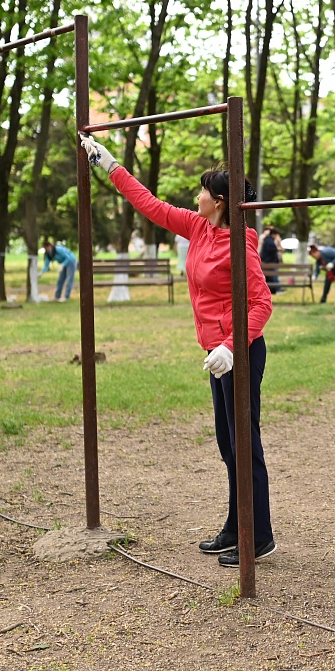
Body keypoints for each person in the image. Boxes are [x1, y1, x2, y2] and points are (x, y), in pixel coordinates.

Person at [80, 133, 277, 568]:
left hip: (239, 354)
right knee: (228, 444)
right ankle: (235, 525)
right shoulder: (199, 227)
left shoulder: (240, 243)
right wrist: (111, 165)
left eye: (204, 191)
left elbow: (262, 303)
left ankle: (259, 536)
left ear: (220, 200)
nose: (197, 196)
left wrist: (231, 345)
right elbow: (150, 205)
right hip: (218, 355)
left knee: (245, 445)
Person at [260, 226, 282, 294]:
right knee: (274, 275)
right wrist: (278, 249)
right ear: (274, 234)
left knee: (271, 276)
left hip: (267, 262)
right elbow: (272, 250)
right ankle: (278, 288)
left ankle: (275, 289)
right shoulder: (270, 241)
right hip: (270, 262)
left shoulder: (267, 240)